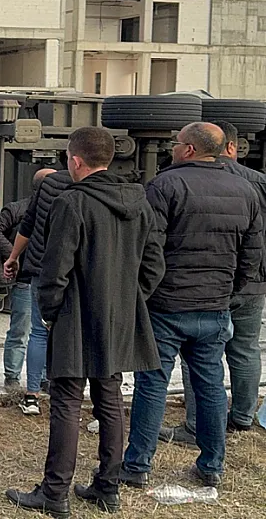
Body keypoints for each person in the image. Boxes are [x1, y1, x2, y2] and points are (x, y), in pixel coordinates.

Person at [6, 127, 165, 518]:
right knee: (110, 399)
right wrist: (128, 299)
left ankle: (55, 491)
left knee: (66, 402)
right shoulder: (139, 201)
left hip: (75, 315)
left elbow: (55, 267)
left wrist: (51, 309)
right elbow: (154, 265)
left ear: (74, 160)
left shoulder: (71, 202)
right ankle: (108, 487)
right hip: (118, 315)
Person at [122, 122, 263, 488]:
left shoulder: (166, 185)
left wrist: (146, 292)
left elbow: (147, 248)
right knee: (212, 386)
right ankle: (212, 465)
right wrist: (230, 291)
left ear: (187, 149)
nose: (172, 146)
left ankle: (137, 465)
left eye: (176, 142)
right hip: (216, 304)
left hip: (167, 304)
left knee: (152, 383)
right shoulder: (245, 190)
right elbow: (251, 253)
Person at [161, 120, 266, 444]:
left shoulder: (180, 179)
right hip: (250, 281)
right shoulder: (258, 182)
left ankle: (197, 425)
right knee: (245, 349)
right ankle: (244, 416)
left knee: (200, 356)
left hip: (204, 286)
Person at [3, 167, 73, 415]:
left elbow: (28, 225)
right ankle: (67, 389)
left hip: (41, 267)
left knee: (38, 332)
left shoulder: (46, 187)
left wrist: (13, 257)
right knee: (75, 333)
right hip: (76, 270)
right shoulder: (97, 186)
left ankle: (31, 395)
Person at [0, 168, 56, 392]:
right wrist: (14, 253)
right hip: (27, 279)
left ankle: (42, 378)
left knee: (39, 332)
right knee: (22, 330)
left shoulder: (52, 208)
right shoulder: (20, 209)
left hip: (46, 279)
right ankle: (13, 376)